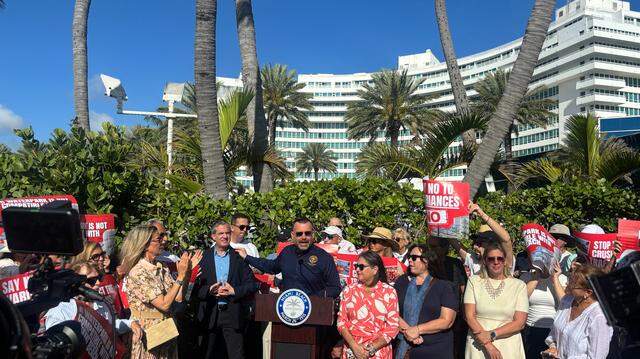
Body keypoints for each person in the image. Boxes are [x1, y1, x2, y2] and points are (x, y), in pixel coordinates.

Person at [120, 224, 201, 359]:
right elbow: (164, 304)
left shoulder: (161, 266)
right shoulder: (139, 272)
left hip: (166, 330)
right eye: (158, 239)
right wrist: (180, 276)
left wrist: (187, 273)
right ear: (145, 245)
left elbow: (178, 297)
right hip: (148, 332)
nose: (163, 242)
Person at [194, 221, 258, 359]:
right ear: (213, 236)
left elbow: (253, 285)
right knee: (207, 354)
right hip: (209, 314)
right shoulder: (202, 258)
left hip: (233, 314)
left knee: (236, 355)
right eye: (221, 233)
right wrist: (209, 290)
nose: (224, 236)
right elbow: (194, 289)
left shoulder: (239, 258)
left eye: (227, 233)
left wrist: (234, 291)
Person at [236, 217, 341, 298]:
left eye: (307, 233)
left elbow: (335, 288)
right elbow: (271, 266)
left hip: (314, 313)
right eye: (299, 234)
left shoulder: (324, 257)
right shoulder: (287, 252)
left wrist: (312, 297)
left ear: (313, 235)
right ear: (292, 235)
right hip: (287, 311)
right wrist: (247, 257)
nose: (303, 237)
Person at [464, 241, 528, 359]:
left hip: (509, 345)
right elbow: (469, 316)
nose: (496, 262)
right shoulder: (474, 281)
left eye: (500, 258)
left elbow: (520, 323)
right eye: (491, 259)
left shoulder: (519, 285)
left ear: (505, 261)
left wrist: (492, 334)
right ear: (484, 261)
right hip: (478, 343)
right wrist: (488, 344)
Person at [394, 244, 458, 359]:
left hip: (435, 350)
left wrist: (418, 330)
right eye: (409, 256)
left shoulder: (444, 286)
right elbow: (391, 311)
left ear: (427, 260)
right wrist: (408, 331)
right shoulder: (401, 282)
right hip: (405, 349)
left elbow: (447, 321)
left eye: (414, 257)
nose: (409, 260)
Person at [337, 251, 399, 359]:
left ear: (375, 269)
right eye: (356, 266)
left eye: (361, 267)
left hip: (379, 352)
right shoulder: (349, 290)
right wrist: (354, 346)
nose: (356, 269)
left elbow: (392, 327)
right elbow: (341, 321)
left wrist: (370, 349)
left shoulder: (389, 292)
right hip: (352, 351)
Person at [542, 265, 613, 359]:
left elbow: (597, 357)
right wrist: (553, 347)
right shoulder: (566, 301)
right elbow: (555, 333)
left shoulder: (599, 317)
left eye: (572, 284)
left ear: (588, 292)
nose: (568, 285)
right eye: (569, 280)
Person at [427, 236, 468, 359]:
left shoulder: (455, 263)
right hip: (430, 318)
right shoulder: (425, 264)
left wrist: (463, 315)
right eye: (429, 246)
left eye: (434, 247)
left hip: (455, 319)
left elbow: (464, 289)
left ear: (445, 248)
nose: (431, 250)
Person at [449, 203, 515, 276]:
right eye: (476, 242)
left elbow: (506, 240)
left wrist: (481, 213)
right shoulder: (473, 259)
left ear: (492, 243)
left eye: (480, 243)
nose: (475, 247)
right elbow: (450, 238)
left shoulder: (502, 260)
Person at [520, 260, 567, 359]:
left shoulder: (562, 278)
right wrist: (536, 276)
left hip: (554, 331)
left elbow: (565, 303)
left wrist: (555, 278)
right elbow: (521, 300)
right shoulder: (527, 277)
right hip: (531, 329)